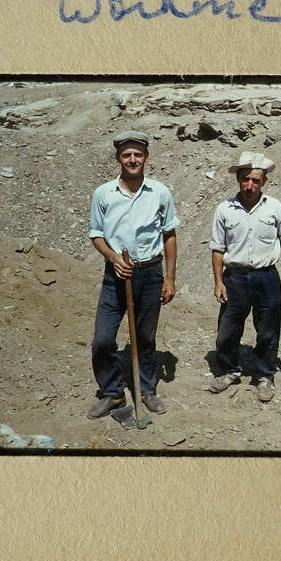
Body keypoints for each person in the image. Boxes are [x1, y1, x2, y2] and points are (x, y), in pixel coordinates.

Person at [86, 130, 180, 419]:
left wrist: (170, 278)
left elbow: (169, 234)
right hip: (115, 275)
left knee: (145, 337)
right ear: (118, 158)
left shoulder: (160, 192)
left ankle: (147, 390)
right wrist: (114, 258)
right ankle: (113, 393)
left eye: (138, 154)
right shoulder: (103, 194)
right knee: (103, 340)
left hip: (150, 273)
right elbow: (96, 234)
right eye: (126, 155)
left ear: (146, 157)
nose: (132, 159)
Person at [208, 151, 281, 402]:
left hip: (266, 278)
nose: (249, 185)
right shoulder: (224, 209)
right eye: (245, 179)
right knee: (227, 331)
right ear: (238, 179)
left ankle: (265, 375)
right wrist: (218, 282)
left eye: (255, 180)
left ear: (263, 182)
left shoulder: (275, 208)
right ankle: (230, 370)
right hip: (234, 278)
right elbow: (217, 249)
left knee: (268, 331)